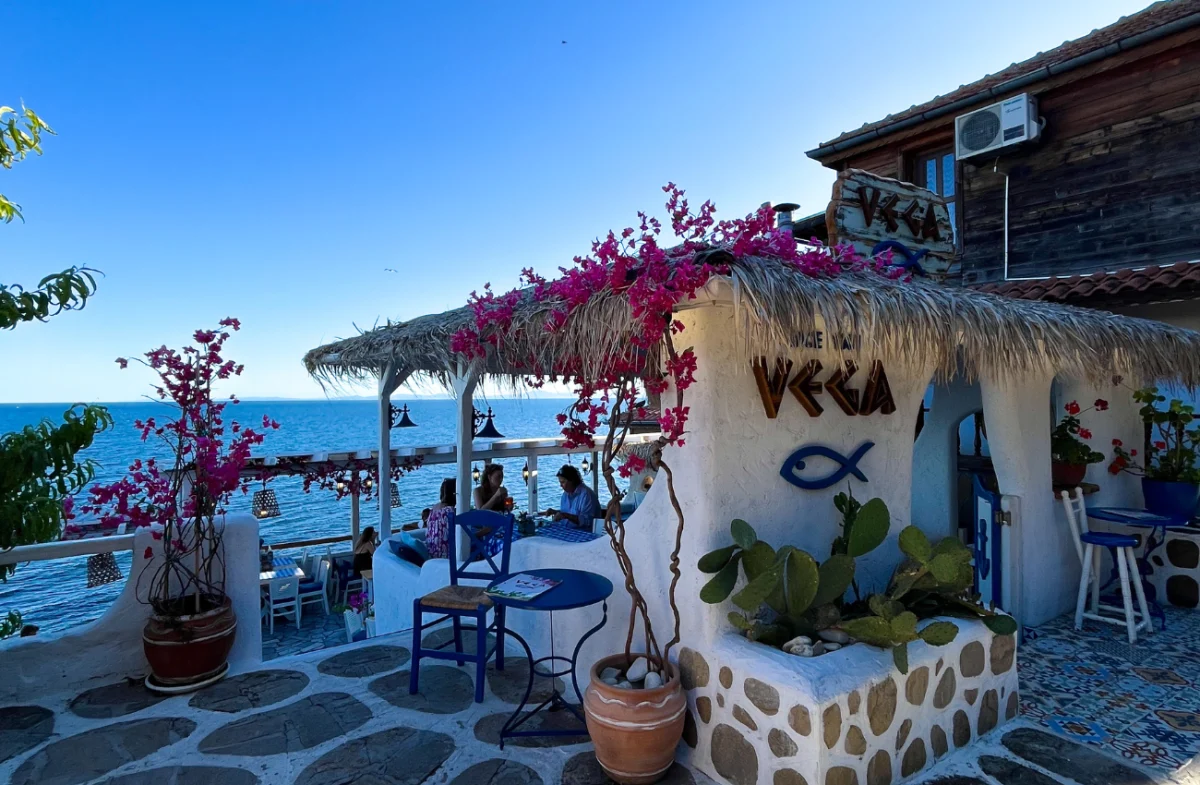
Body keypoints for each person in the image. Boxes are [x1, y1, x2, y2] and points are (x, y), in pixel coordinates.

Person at [545, 465, 600, 530]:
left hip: (583, 533)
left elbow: (588, 521)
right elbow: (567, 512)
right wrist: (555, 512)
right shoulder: (565, 494)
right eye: (560, 482)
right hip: (567, 530)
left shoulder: (587, 495)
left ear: (572, 480)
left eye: (563, 482)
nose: (560, 485)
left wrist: (565, 515)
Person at [424, 477, 457, 559]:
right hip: (448, 556)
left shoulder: (434, 508)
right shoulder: (451, 511)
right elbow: (462, 535)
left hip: (433, 553)